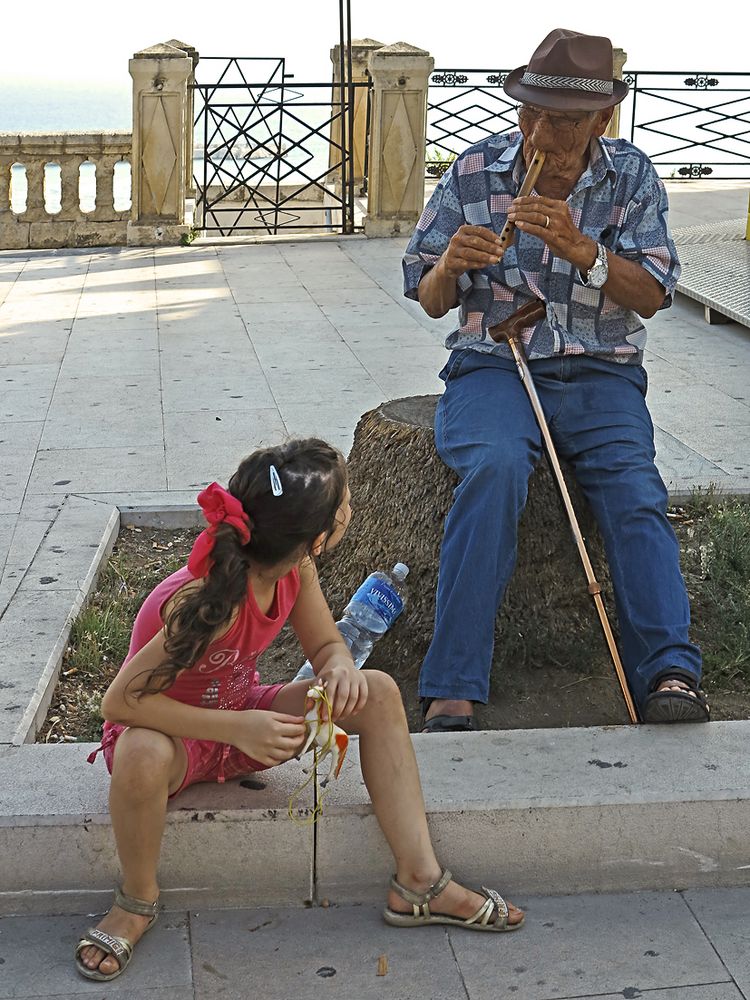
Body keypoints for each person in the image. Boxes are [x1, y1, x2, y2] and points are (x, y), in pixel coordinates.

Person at [76, 438, 524, 982]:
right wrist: (238, 728)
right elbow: (122, 701)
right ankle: (136, 899)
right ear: (317, 538)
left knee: (377, 691)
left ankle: (419, 882)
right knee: (141, 752)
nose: (350, 512)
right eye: (345, 507)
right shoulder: (203, 603)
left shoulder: (295, 572)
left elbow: (327, 646)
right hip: (174, 738)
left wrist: (338, 667)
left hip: (245, 717)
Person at [403, 29, 710, 733]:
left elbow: (654, 295)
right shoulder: (476, 170)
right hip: (495, 364)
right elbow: (429, 296)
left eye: (563, 121)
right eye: (530, 113)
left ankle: (670, 669)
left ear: (603, 119)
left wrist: (583, 250)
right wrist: (449, 266)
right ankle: (452, 682)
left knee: (634, 489)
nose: (542, 132)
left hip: (602, 369)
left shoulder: (631, 177)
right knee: (495, 468)